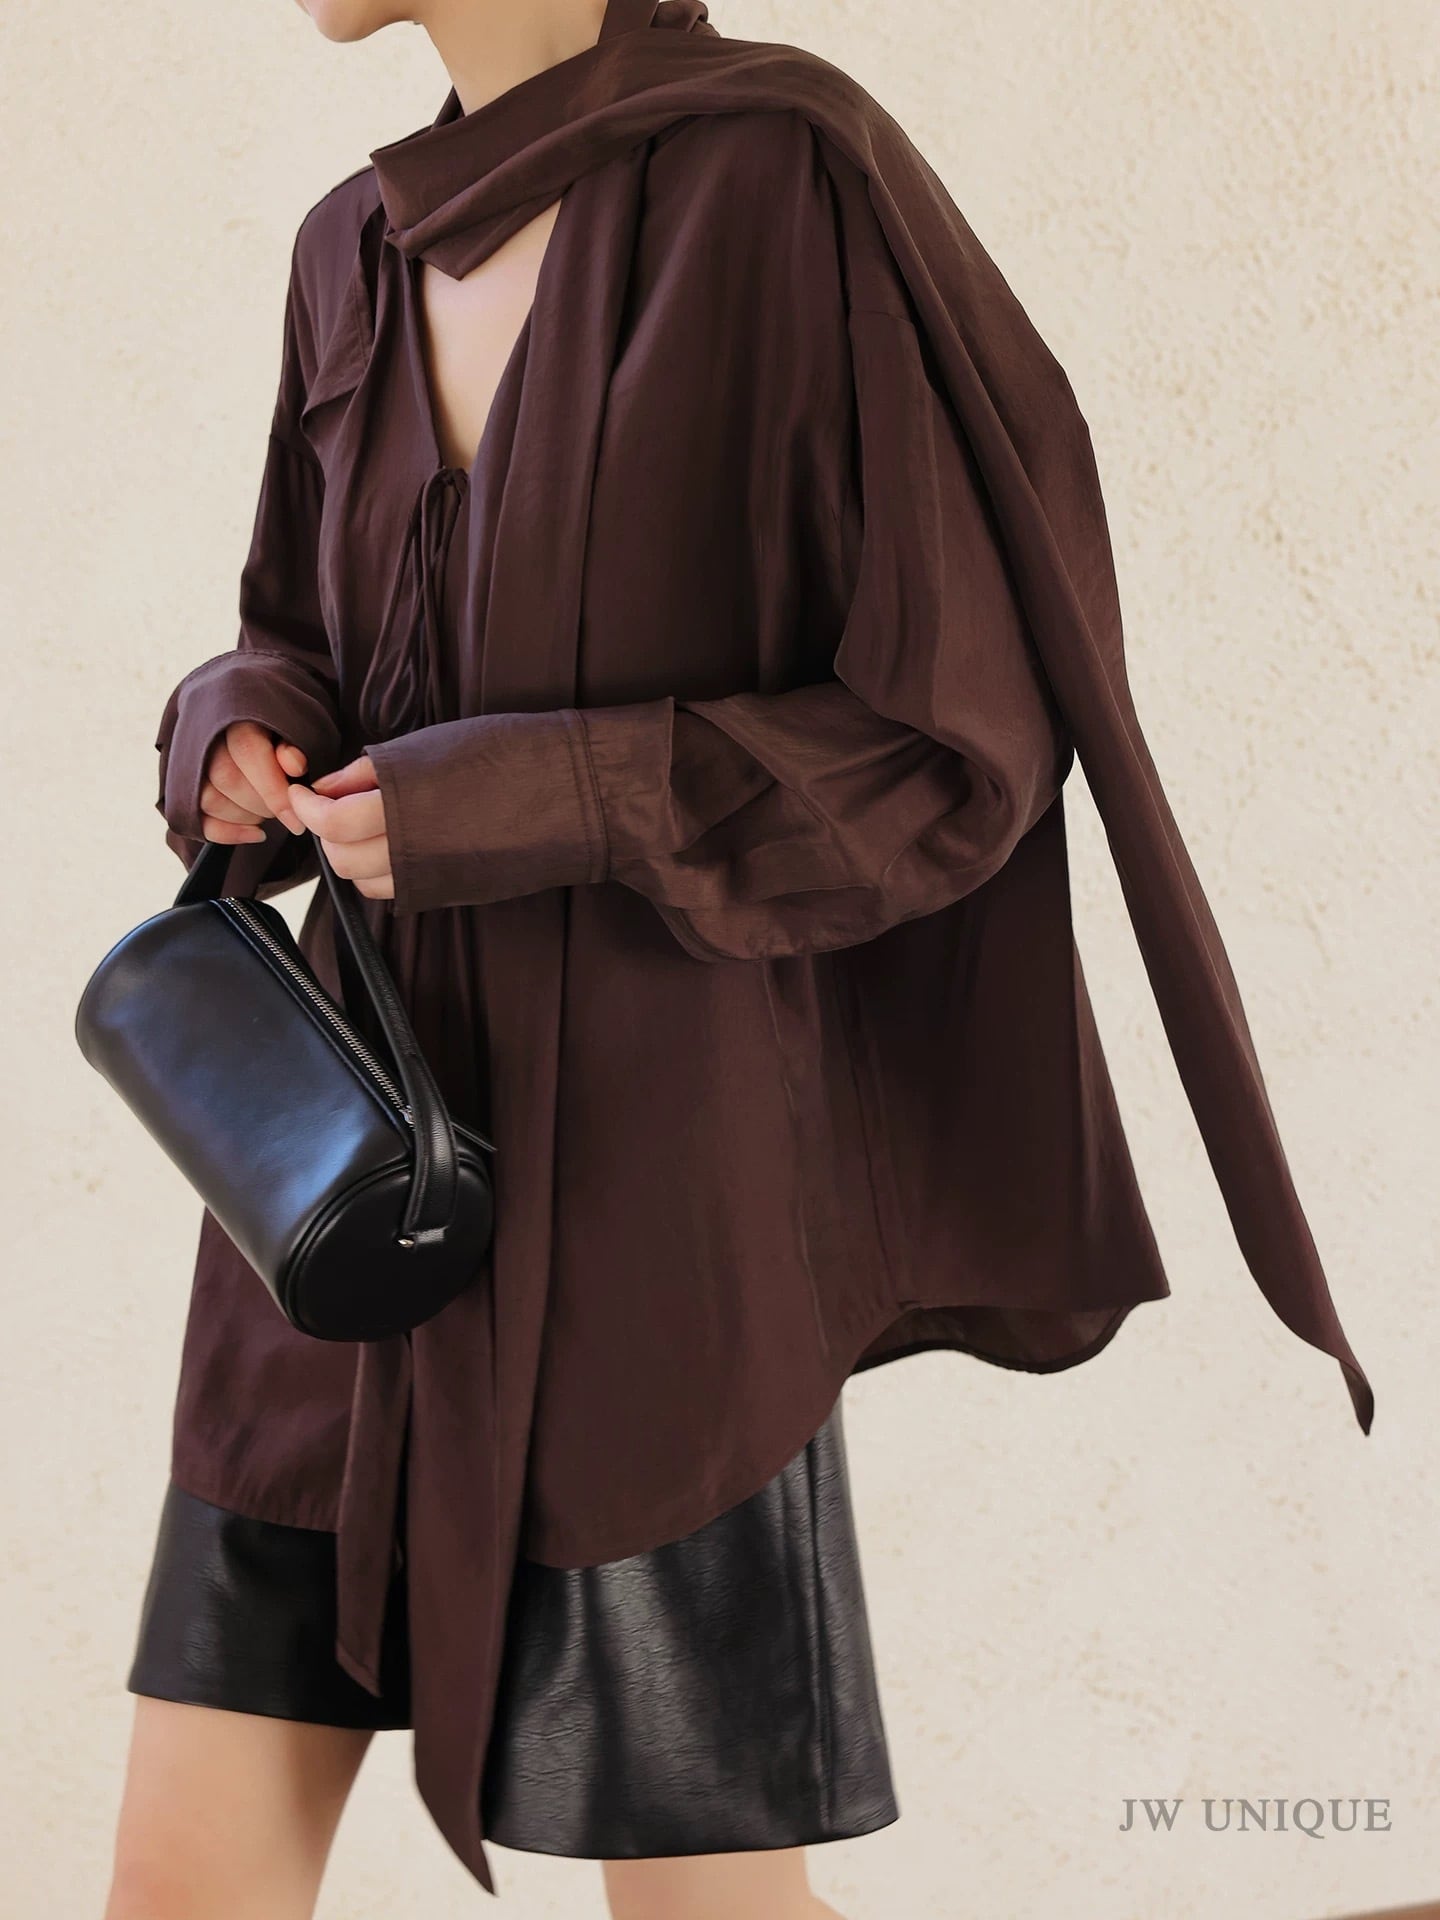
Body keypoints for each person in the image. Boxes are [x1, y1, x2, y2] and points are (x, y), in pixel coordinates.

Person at [102, 0, 1373, 1915]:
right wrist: (241, 728)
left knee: (706, 1911)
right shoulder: (347, 247)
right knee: (179, 1888)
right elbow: (301, 621)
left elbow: (951, 739)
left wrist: (547, 796)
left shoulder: (783, 177)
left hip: (660, 1234)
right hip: (338, 1207)